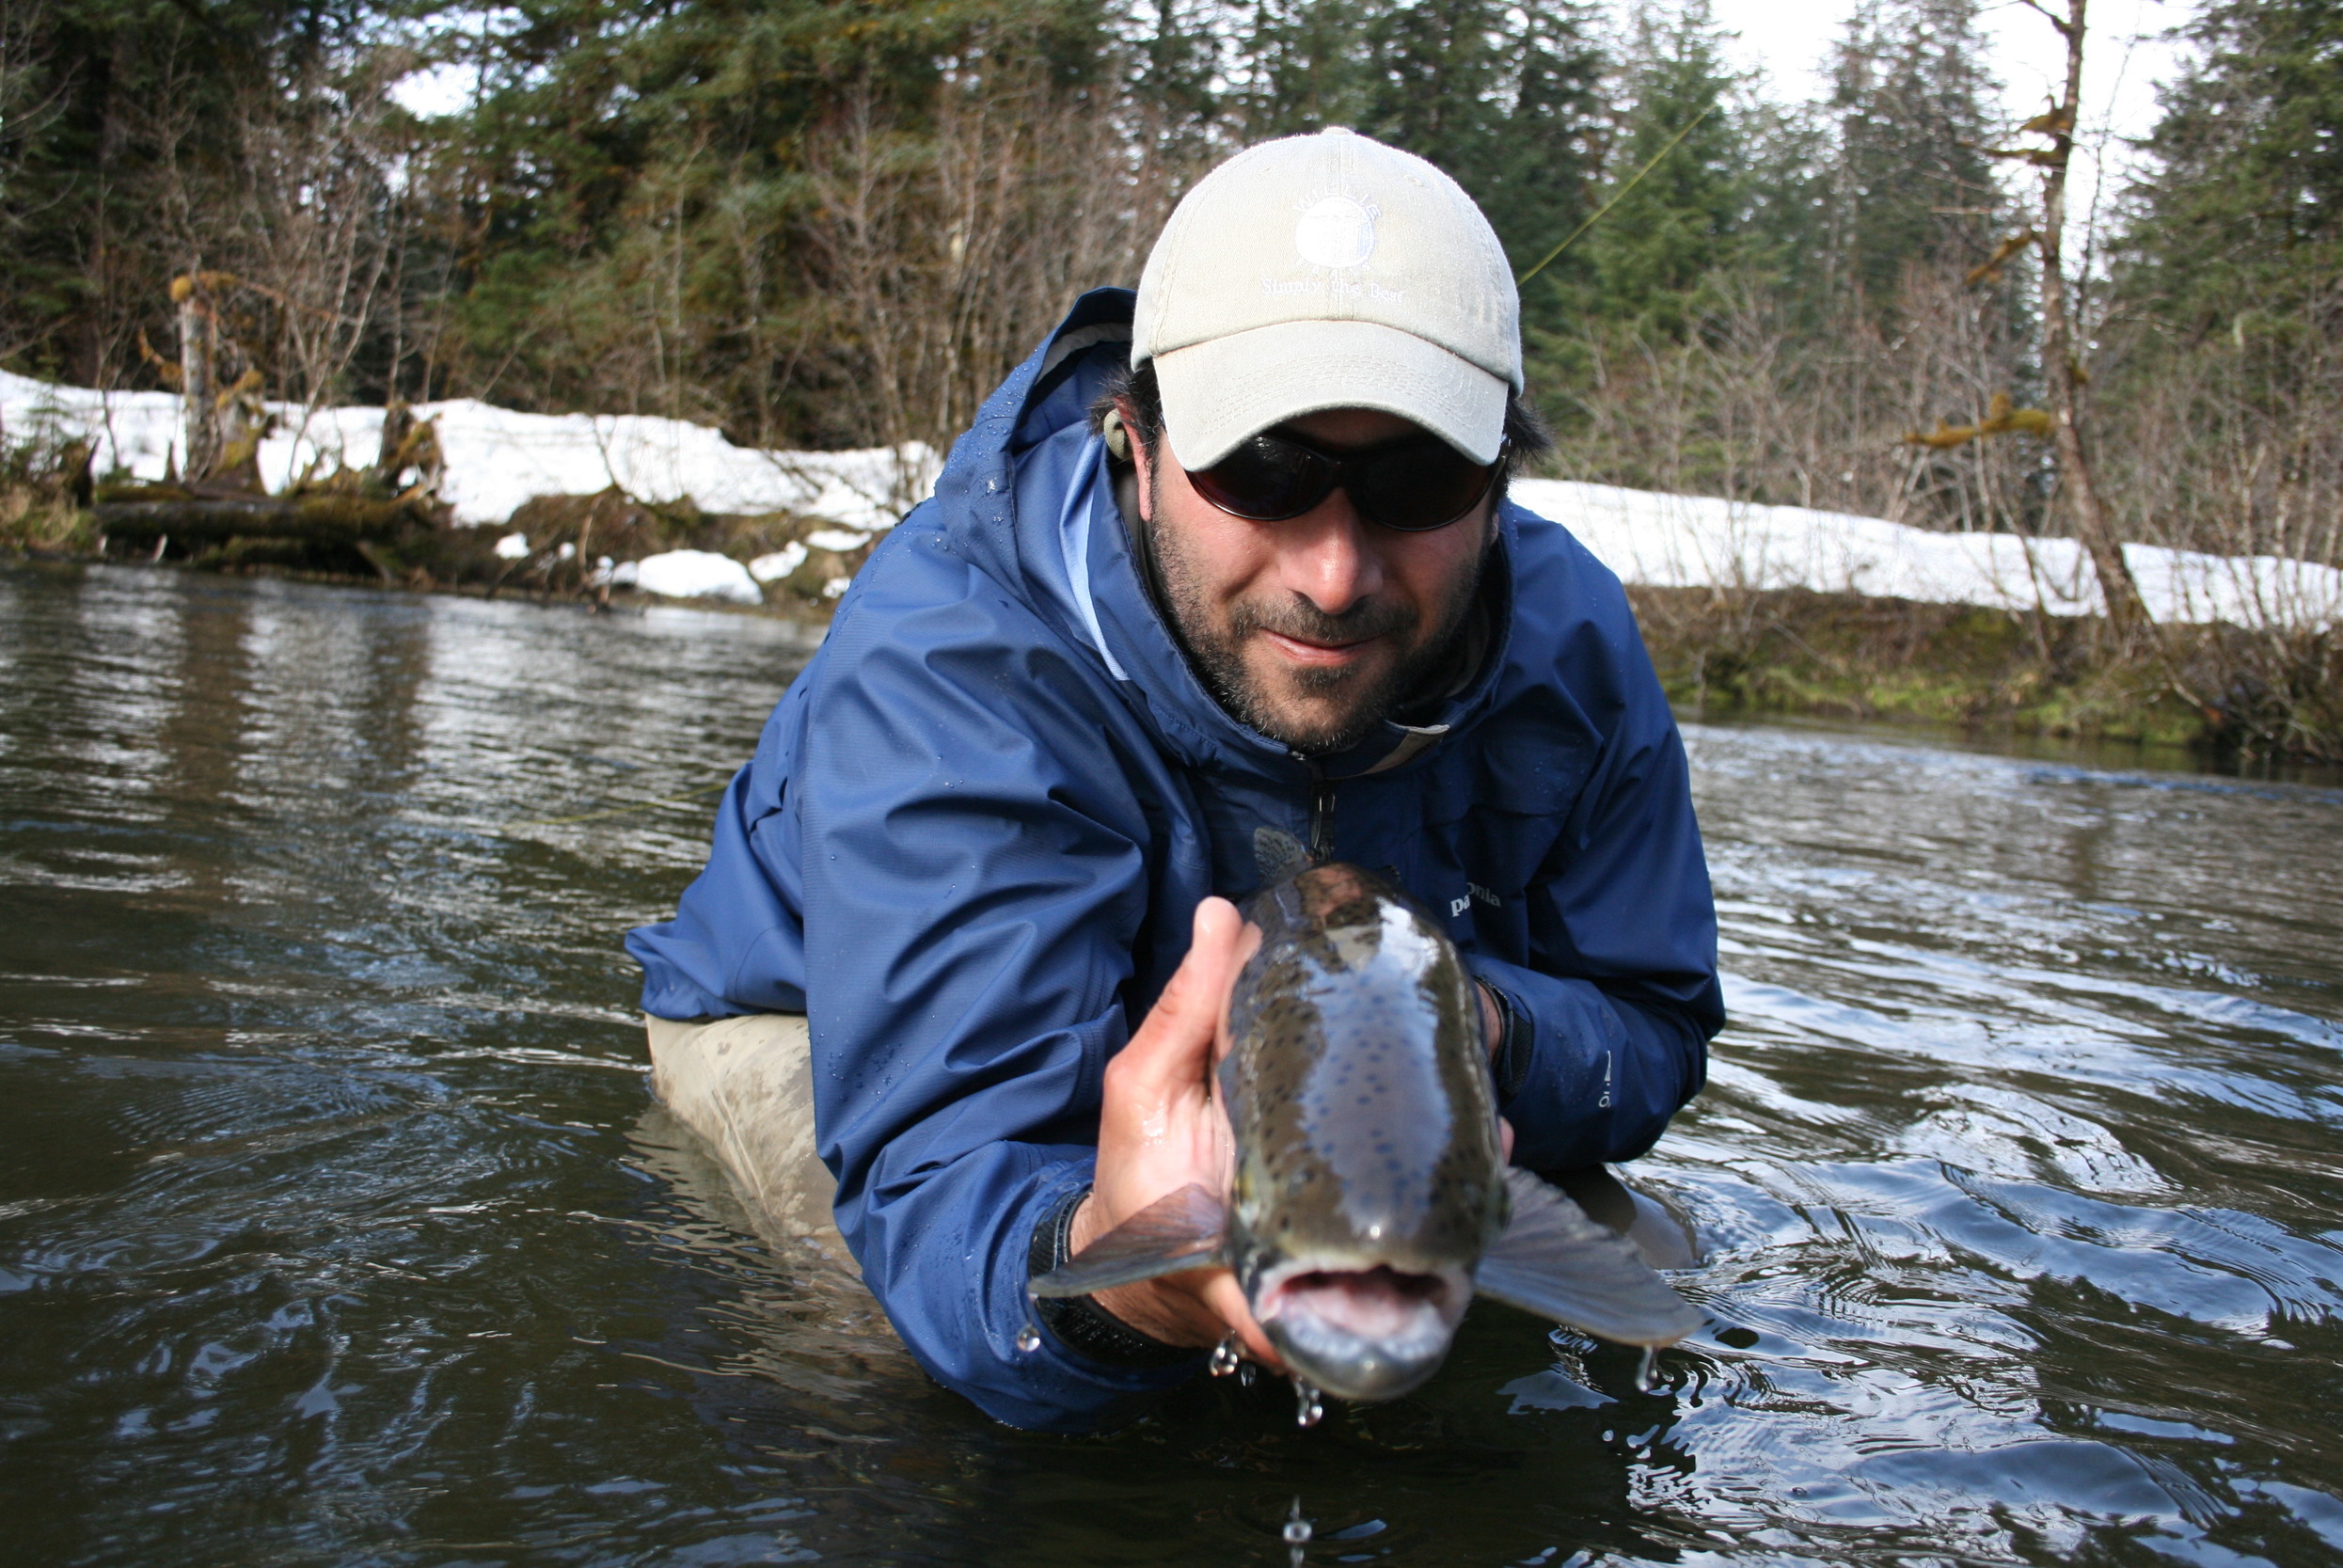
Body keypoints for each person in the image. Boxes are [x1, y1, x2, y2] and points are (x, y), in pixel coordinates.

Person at [626, 128, 1722, 1433]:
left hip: (1352, 1089)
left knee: (1656, 1279)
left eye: (1416, 481)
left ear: (1496, 486)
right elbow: (950, 1168)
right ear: (1135, 447)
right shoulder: (961, 652)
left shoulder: (1576, 648)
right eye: (1262, 469)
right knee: (903, 1349)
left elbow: (1653, 1021)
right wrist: (1121, 1287)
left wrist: (1494, 1037)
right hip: (814, 1018)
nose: (1333, 574)